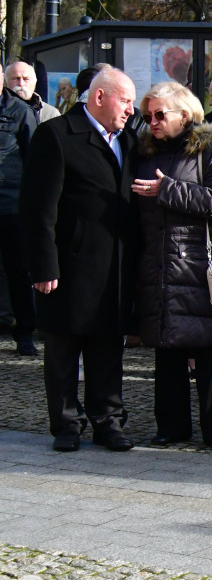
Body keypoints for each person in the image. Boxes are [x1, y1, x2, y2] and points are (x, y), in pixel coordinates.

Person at [21, 67, 139, 452]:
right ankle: (66, 424)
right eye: (125, 100)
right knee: (63, 350)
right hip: (68, 266)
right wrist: (43, 265)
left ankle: (108, 421)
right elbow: (38, 209)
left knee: (108, 348)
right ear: (100, 97)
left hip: (114, 266)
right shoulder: (56, 135)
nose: (131, 109)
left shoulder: (130, 140)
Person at [133, 81, 212, 452]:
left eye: (160, 114)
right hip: (158, 263)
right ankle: (172, 425)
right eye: (148, 116)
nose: (153, 122)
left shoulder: (209, 149)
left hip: (198, 262)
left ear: (185, 114)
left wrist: (168, 190)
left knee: (208, 347)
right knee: (167, 346)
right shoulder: (144, 151)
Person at [0, 81, 37, 356]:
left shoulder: (19, 111)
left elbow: (35, 156)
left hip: (11, 204)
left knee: (19, 271)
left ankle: (25, 331)